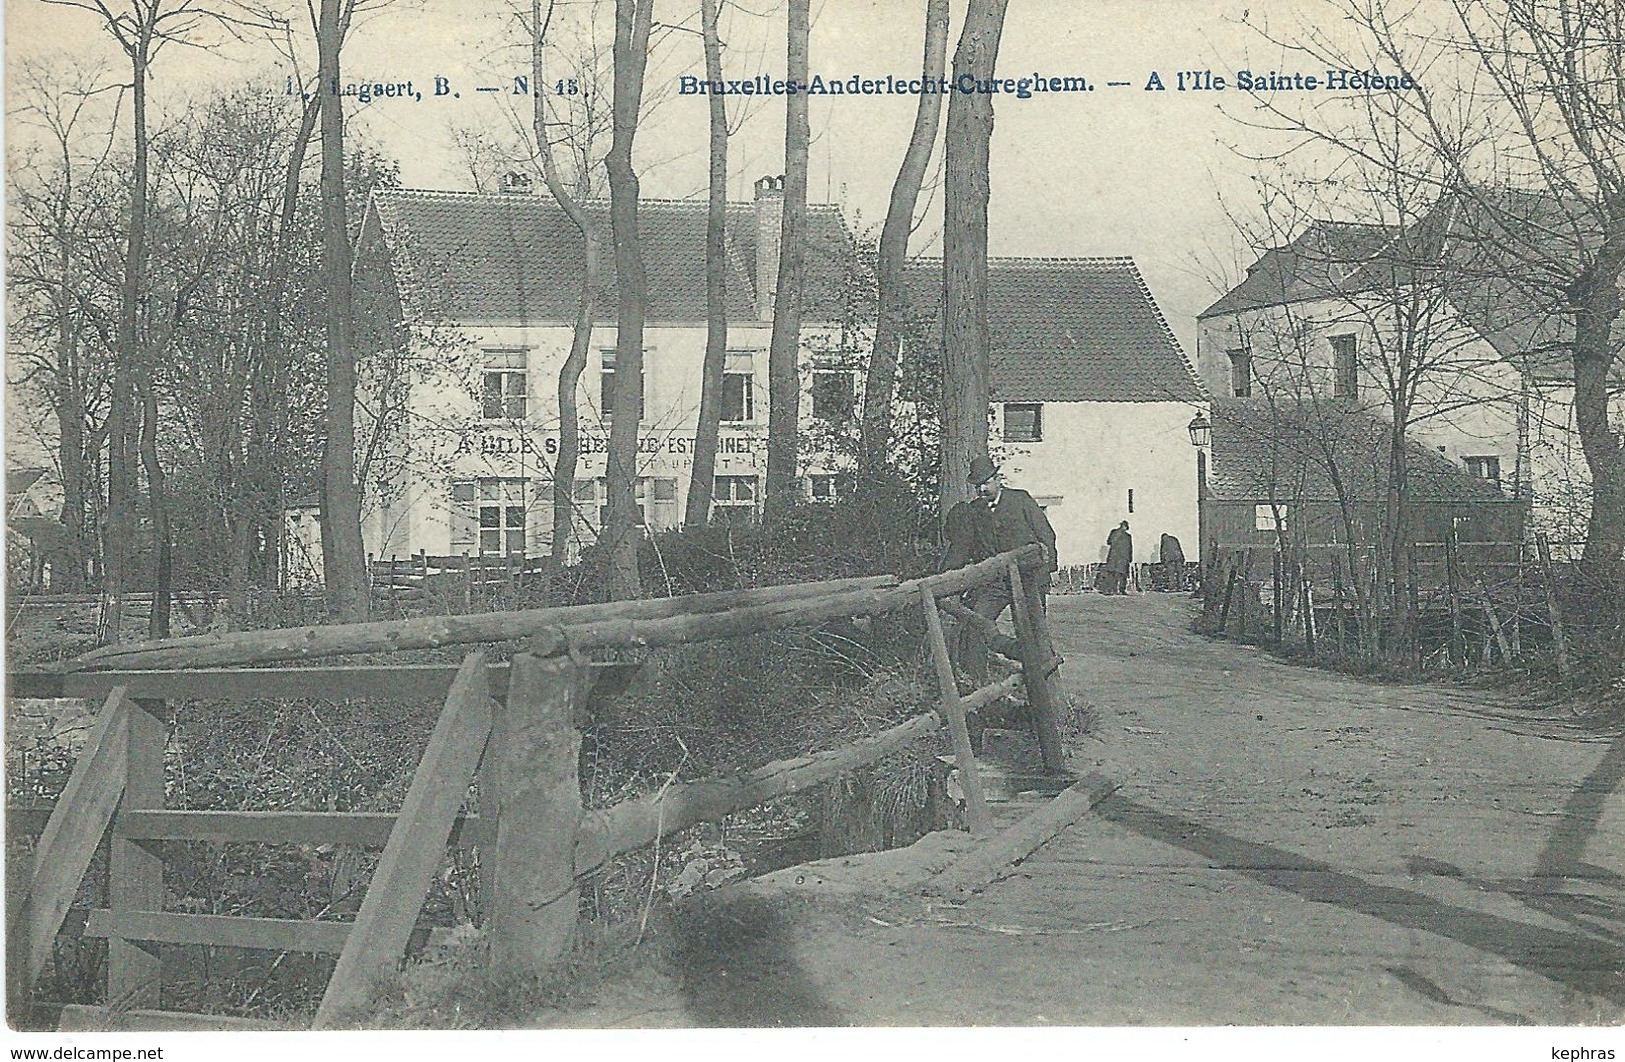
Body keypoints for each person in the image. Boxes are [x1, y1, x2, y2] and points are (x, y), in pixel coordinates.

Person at [1102, 520, 1132, 595]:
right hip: (1115, 557)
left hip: (1123, 558)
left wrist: (1130, 557)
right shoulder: (1114, 532)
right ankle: (1110, 590)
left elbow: (1130, 547)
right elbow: (1109, 542)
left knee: (1122, 574)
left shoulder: (1128, 536)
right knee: (1112, 574)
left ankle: (1121, 589)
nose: (1124, 528)